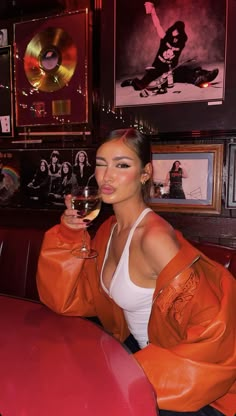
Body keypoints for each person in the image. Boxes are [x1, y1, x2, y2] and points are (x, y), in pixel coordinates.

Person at [37, 128, 236, 416]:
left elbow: (215, 331)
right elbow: (67, 300)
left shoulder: (154, 238)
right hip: (137, 354)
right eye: (101, 163)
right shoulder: (109, 229)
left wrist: (135, 372)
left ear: (145, 173)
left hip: (186, 384)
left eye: (122, 165)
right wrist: (69, 234)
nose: (107, 176)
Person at [121, 2, 219, 92]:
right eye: (175, 29)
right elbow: (157, 25)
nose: (175, 32)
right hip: (157, 69)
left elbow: (182, 40)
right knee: (141, 85)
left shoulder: (181, 42)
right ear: (172, 29)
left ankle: (203, 77)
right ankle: (132, 82)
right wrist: (153, 11)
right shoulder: (164, 37)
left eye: (178, 31)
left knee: (185, 72)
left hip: (170, 71)